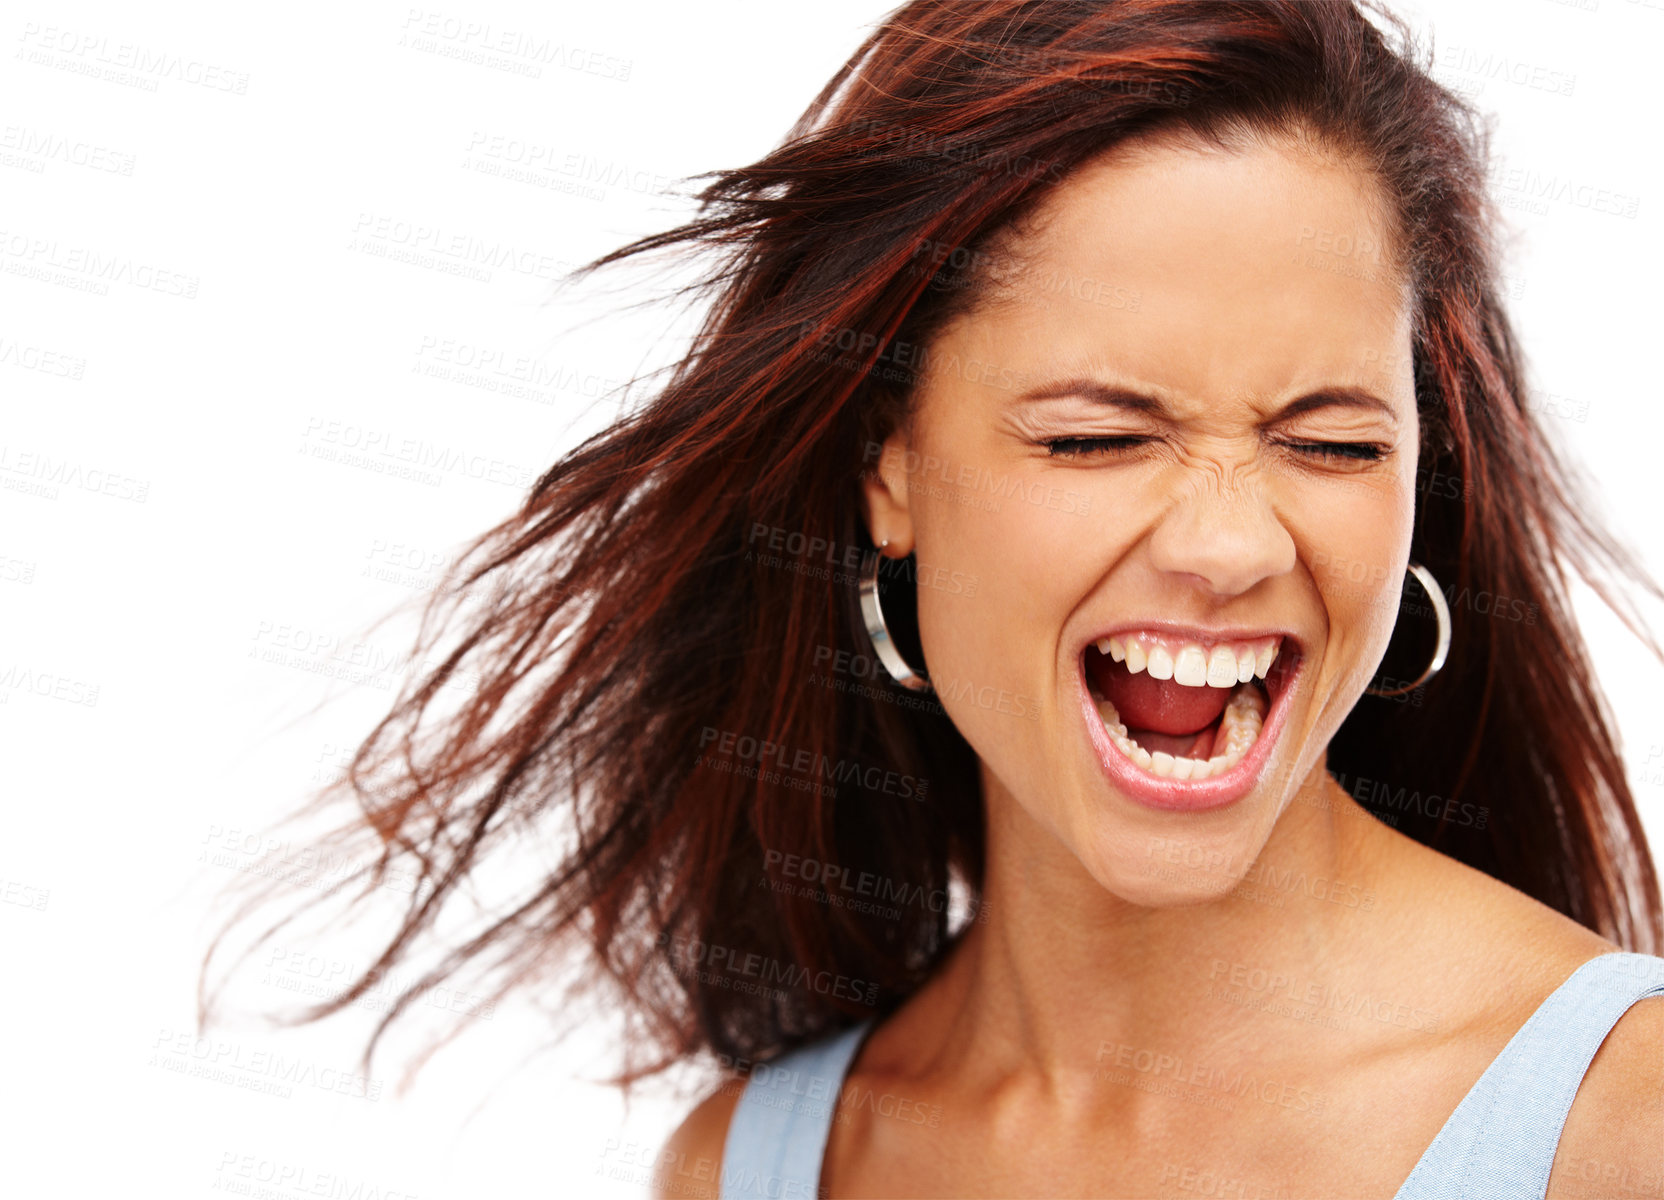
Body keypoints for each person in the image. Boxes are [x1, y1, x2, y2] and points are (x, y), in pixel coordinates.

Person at [203, 1, 1664, 1196]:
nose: (1230, 547)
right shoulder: (752, 1170)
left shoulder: (1621, 1125)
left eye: (1329, 444)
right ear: (885, 469)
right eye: (1095, 436)